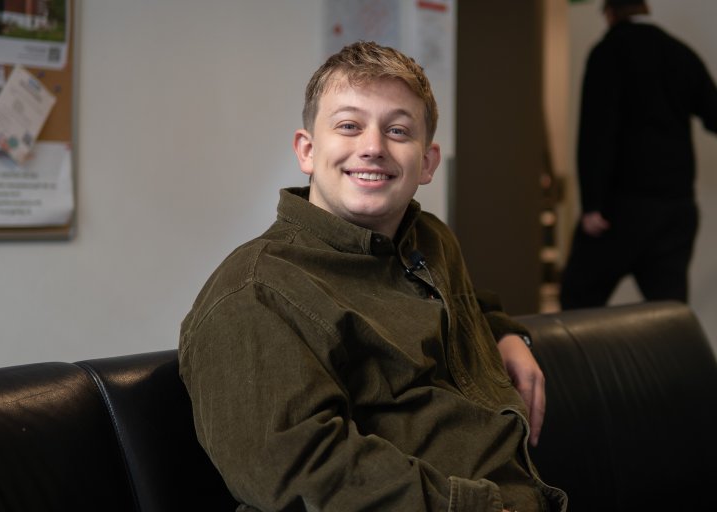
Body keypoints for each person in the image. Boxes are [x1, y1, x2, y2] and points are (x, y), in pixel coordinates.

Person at [179, 41, 567, 511]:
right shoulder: (257, 290)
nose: (373, 147)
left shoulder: (428, 239)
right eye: (349, 125)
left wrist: (507, 335)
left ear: (426, 162)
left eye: (398, 130)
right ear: (307, 150)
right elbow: (299, 468)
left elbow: (469, 302)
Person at [560, 0, 717, 309]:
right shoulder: (679, 52)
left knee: (577, 300)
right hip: (676, 209)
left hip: (622, 207)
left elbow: (596, 130)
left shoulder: (608, 52)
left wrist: (592, 204)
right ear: (644, 9)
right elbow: (714, 115)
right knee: (669, 313)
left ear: (609, 14)